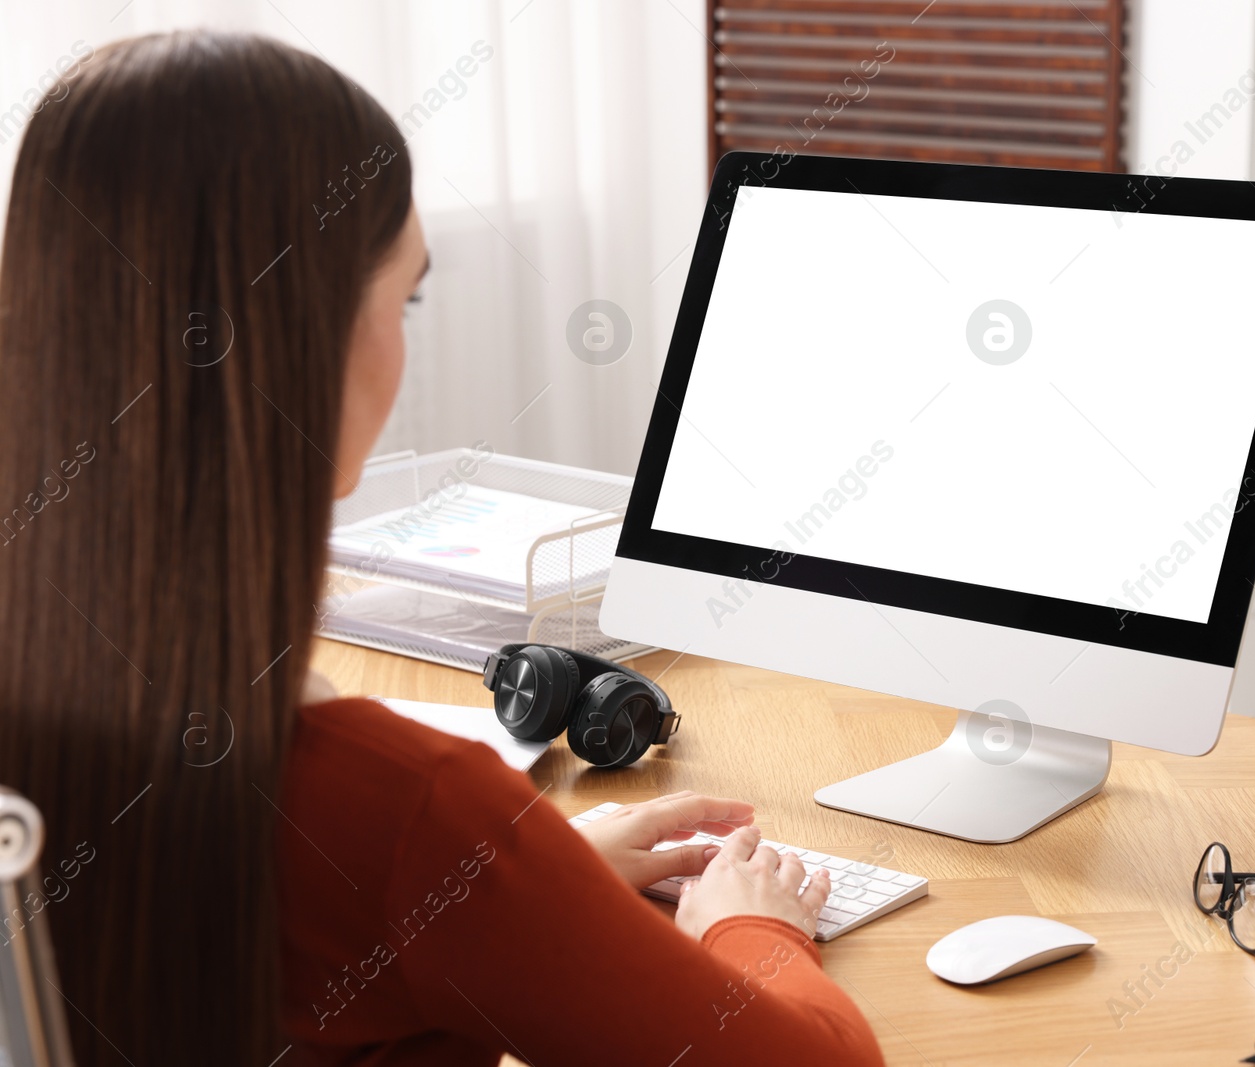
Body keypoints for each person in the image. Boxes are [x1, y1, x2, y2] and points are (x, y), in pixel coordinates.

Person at [0, 31, 884, 1066]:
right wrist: (752, 920)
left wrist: (532, 885)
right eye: (403, 297)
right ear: (311, 339)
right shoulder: (397, 807)